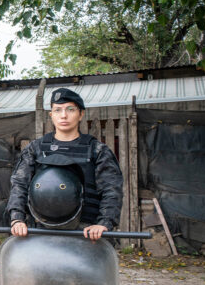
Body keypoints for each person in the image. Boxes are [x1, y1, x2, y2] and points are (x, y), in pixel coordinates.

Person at [7, 88, 123, 241]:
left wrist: (104, 223)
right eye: (58, 110)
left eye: (70, 109)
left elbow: (111, 189)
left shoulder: (97, 150)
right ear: (51, 115)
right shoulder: (35, 149)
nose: (63, 115)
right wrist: (17, 219)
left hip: (87, 232)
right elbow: (19, 185)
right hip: (42, 230)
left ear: (81, 114)